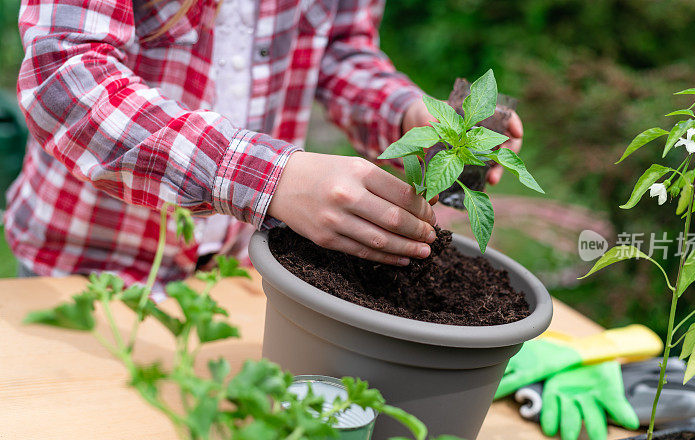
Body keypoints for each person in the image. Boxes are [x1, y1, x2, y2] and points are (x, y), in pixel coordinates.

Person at [5, 0, 523, 291]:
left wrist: (407, 115)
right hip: (89, 263)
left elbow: (340, 47)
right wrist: (269, 178)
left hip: (240, 272)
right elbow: (65, 73)